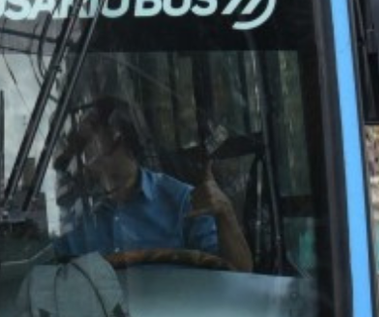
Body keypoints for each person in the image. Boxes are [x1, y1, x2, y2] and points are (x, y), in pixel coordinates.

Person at [55, 96, 253, 273]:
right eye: (84, 151)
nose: (90, 159)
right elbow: (54, 268)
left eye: (97, 146)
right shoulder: (81, 216)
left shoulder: (183, 201)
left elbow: (239, 272)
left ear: (125, 140)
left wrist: (225, 214)